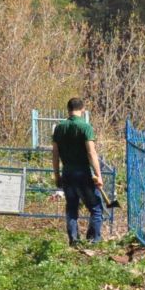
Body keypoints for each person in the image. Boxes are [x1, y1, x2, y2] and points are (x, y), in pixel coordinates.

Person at [49, 97, 106, 245]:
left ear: (68, 109)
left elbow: (55, 154)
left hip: (67, 174)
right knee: (96, 208)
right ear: (83, 109)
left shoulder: (59, 128)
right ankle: (93, 241)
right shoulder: (85, 127)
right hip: (82, 174)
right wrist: (99, 175)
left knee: (72, 208)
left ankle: (74, 240)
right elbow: (91, 153)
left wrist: (57, 175)